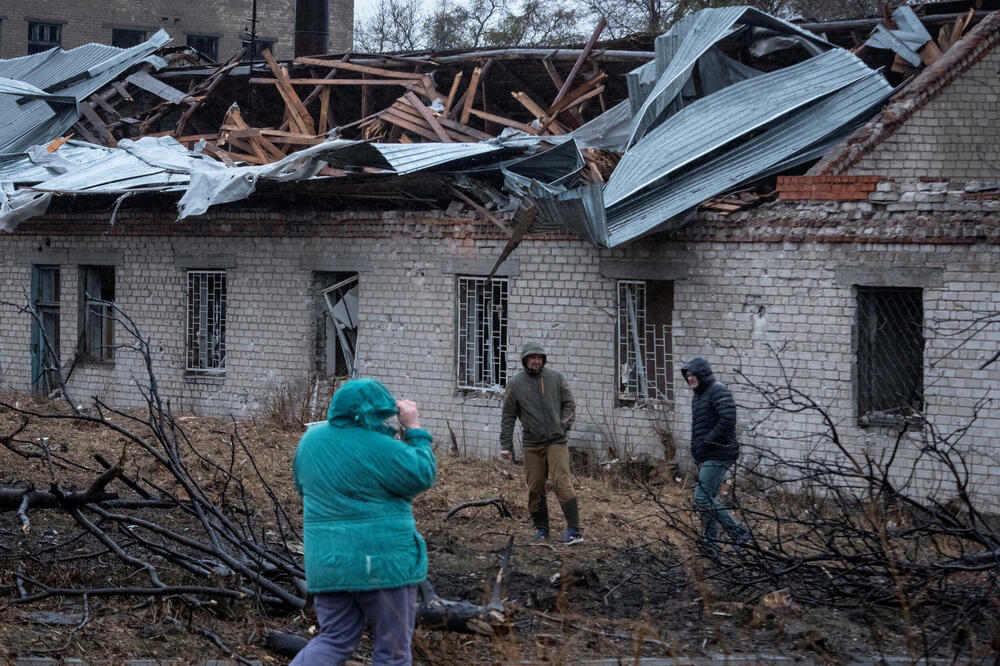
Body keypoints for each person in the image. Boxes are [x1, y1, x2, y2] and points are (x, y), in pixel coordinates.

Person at [291, 378, 436, 666]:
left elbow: (301, 486)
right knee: (393, 652)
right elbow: (423, 474)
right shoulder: (382, 448)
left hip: (328, 564)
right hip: (383, 564)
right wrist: (414, 428)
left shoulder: (309, 442)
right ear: (374, 413)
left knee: (334, 640)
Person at [500, 341, 582, 545]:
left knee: (561, 482)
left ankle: (574, 531)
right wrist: (506, 445)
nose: (536, 361)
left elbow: (569, 404)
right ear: (525, 360)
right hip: (532, 444)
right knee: (535, 486)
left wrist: (562, 425)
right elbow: (508, 416)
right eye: (532, 358)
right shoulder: (515, 384)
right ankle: (542, 530)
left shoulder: (555, 378)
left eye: (539, 358)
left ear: (543, 360)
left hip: (556, 441)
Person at [680, 357, 750, 558]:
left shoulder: (717, 390)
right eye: (687, 376)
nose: (690, 378)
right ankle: (710, 545)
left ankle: (738, 532)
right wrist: (698, 450)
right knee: (708, 499)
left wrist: (708, 442)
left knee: (702, 498)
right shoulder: (698, 395)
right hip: (707, 453)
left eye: (693, 374)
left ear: (702, 374)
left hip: (720, 452)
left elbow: (728, 419)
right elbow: (700, 427)